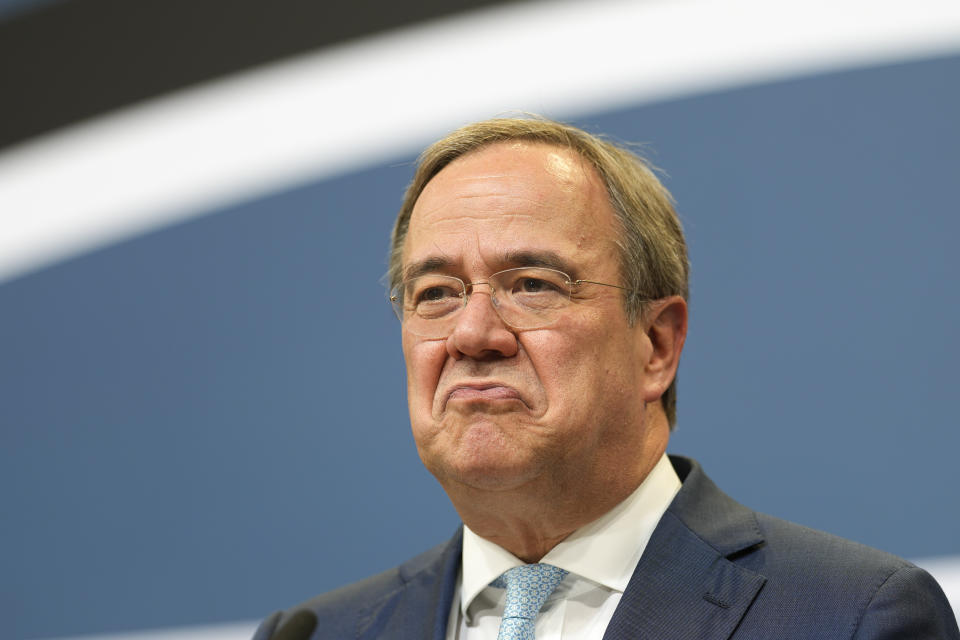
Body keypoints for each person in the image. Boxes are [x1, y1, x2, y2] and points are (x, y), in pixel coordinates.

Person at [252, 117, 959, 639]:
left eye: (531, 284)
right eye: (435, 293)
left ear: (656, 344)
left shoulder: (853, 618)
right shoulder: (317, 632)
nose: (472, 334)